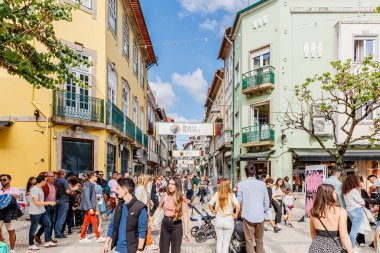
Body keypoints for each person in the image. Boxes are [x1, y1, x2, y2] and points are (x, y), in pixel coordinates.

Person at [103, 177, 148, 253]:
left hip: (131, 249)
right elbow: (112, 226)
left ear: (125, 190)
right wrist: (106, 243)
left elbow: (142, 231)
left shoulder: (140, 207)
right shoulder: (119, 205)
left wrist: (140, 250)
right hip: (118, 249)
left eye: (118, 189)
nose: (116, 191)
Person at [309, 184, 353, 253]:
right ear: (329, 195)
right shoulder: (341, 211)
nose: (335, 194)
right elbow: (343, 236)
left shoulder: (313, 211)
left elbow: (312, 233)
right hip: (334, 249)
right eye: (334, 192)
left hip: (315, 248)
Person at [237, 165, 270, 253]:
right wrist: (262, 210)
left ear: (246, 173)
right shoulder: (262, 184)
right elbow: (267, 202)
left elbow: (238, 201)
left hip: (247, 215)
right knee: (259, 240)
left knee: (249, 241)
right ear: (255, 172)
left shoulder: (241, 184)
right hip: (260, 216)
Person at [151, 177, 189, 253]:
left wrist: (186, 231)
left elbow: (185, 214)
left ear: (177, 186)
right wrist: (151, 220)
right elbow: (158, 208)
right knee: (163, 250)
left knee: (175, 250)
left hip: (176, 225)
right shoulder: (165, 195)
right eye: (169, 184)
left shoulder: (181, 197)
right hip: (165, 224)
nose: (170, 186)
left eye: (173, 184)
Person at [208, 178, 240, 253]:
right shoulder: (231, 195)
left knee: (219, 242)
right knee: (226, 243)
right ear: (228, 186)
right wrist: (236, 214)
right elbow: (238, 206)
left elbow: (209, 204)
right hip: (229, 219)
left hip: (219, 219)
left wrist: (213, 211)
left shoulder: (217, 194)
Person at [28, 175, 57, 250]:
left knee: (48, 223)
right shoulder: (34, 189)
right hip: (35, 212)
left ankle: (47, 241)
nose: (46, 182)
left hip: (42, 211)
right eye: (45, 180)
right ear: (42, 181)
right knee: (33, 228)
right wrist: (49, 203)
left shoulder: (40, 188)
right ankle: (31, 244)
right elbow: (36, 202)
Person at [79, 172, 105, 243]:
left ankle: (83, 237)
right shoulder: (88, 184)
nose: (97, 177)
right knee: (94, 221)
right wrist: (90, 208)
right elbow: (86, 197)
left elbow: (88, 196)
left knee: (86, 222)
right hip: (89, 207)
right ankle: (98, 237)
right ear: (92, 177)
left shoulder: (90, 184)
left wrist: (95, 196)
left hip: (89, 206)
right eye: (96, 176)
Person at [342, 174, 365, 249]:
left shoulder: (346, 191)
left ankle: (350, 245)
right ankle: (350, 247)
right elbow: (362, 202)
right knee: (354, 230)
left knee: (353, 229)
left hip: (349, 211)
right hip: (357, 210)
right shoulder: (354, 190)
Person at [35, 172, 58, 244]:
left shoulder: (53, 185)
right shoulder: (44, 186)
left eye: (54, 176)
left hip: (52, 206)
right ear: (46, 177)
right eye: (51, 176)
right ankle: (47, 240)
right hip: (46, 206)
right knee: (48, 223)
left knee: (51, 223)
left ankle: (43, 236)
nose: (53, 177)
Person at [0, 174, 20, 253]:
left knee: (11, 231)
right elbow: (8, 198)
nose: (2, 181)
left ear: (9, 180)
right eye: (1, 180)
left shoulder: (15, 189)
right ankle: (2, 244)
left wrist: (4, 198)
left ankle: (12, 248)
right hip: (0, 211)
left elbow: (14, 197)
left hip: (11, 212)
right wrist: (6, 197)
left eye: (4, 180)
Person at [54, 169, 76, 238]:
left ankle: (57, 232)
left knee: (57, 217)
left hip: (56, 200)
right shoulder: (64, 181)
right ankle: (58, 233)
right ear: (64, 174)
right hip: (64, 201)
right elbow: (67, 191)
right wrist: (74, 189)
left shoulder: (55, 181)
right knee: (61, 218)